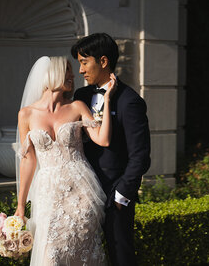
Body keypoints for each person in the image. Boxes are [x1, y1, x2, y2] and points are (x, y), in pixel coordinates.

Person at [13, 56, 116, 265]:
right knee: (50, 254)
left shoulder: (77, 107)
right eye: (67, 71)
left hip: (81, 191)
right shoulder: (26, 114)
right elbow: (28, 161)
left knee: (83, 252)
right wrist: (21, 205)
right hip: (48, 193)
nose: (73, 75)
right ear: (52, 75)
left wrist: (107, 100)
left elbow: (103, 139)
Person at [72, 33, 151, 266]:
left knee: (121, 256)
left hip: (113, 195)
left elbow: (140, 156)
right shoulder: (81, 96)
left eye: (84, 63)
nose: (80, 71)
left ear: (103, 62)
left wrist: (121, 195)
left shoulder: (130, 101)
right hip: (83, 194)